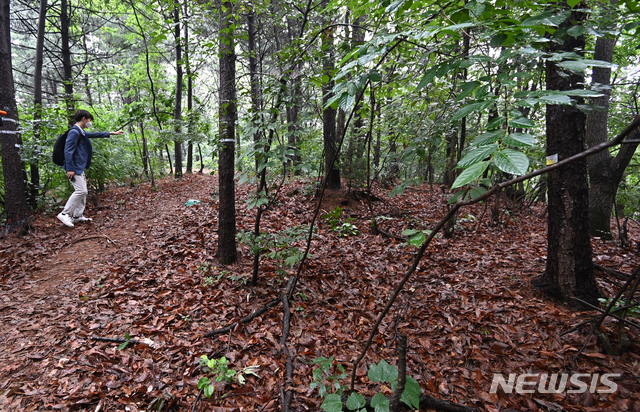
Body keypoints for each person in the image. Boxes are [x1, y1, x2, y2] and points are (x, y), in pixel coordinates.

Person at [57, 110, 124, 227]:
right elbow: (68, 150)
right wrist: (70, 168)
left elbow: (93, 134)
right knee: (81, 191)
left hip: (78, 166)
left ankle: (77, 216)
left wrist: (112, 133)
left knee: (84, 192)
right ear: (84, 119)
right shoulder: (74, 132)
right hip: (73, 167)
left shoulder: (80, 132)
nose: (90, 123)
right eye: (89, 120)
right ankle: (65, 213)